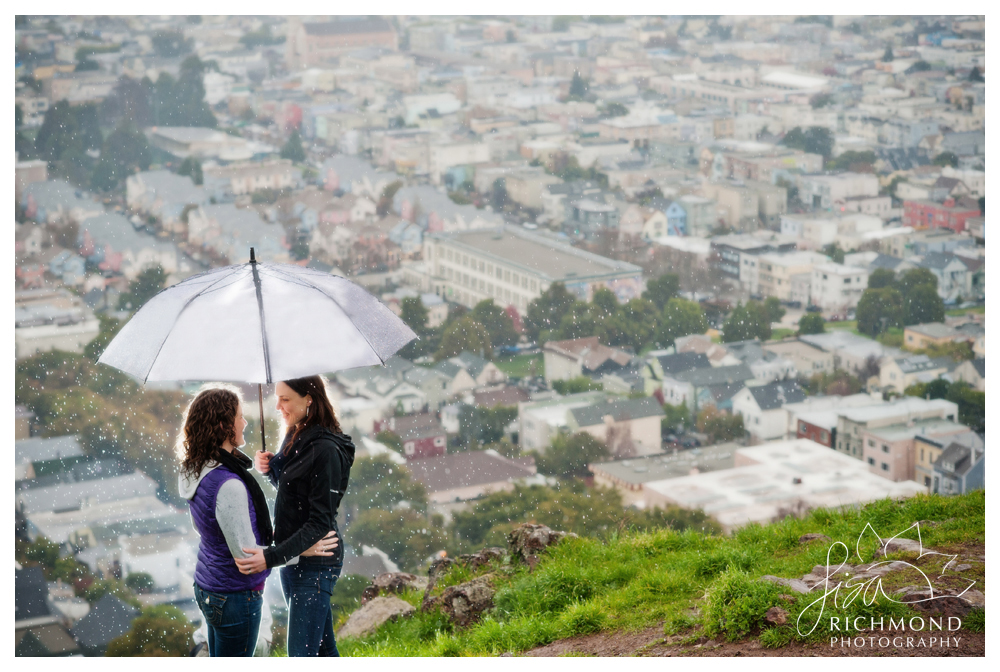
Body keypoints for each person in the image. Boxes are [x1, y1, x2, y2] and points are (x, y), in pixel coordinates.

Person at [178, 385, 338, 657]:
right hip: (234, 596)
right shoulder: (228, 484)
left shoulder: (197, 468)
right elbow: (247, 560)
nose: (245, 422)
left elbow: (214, 529)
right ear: (223, 425)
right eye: (240, 416)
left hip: (208, 586)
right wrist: (302, 549)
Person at [236, 375, 355, 657]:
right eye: (277, 398)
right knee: (324, 651)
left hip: (316, 563)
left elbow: (319, 521)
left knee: (300, 656)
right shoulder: (296, 434)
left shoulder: (325, 450)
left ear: (309, 399)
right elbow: (295, 494)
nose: (278, 406)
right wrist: (272, 472)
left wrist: (269, 557)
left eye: (285, 399)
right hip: (295, 559)